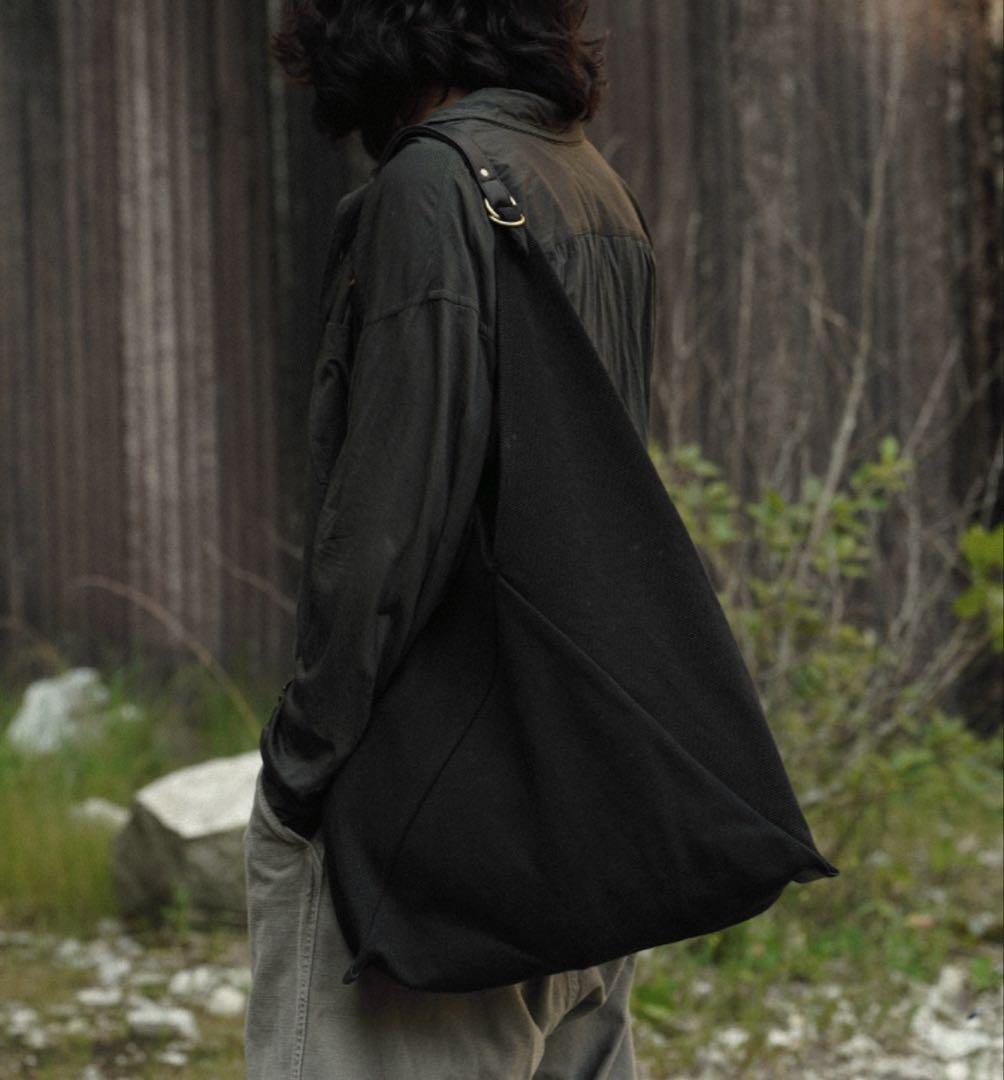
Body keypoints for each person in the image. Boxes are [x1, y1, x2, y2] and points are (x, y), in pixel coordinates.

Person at [244, 2, 657, 1077]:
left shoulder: (432, 185)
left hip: (433, 825)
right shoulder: (589, 182)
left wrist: (301, 768)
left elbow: (392, 522)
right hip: (579, 790)